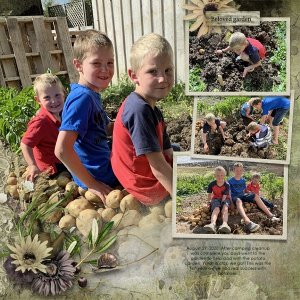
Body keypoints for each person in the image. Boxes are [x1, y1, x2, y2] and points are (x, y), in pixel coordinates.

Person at [55, 30, 117, 203]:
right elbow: (62, 149)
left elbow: (104, 129)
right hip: (100, 173)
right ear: (78, 65)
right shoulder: (82, 98)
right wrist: (92, 184)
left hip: (98, 166)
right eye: (96, 63)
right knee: (162, 155)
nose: (105, 70)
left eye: (110, 62)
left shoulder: (90, 94)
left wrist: (127, 119)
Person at [111, 33, 174, 206]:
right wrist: (181, 197)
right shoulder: (139, 110)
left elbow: (168, 150)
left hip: (143, 169)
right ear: (134, 75)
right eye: (152, 72)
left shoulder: (152, 106)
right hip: (144, 184)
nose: (163, 79)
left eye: (168, 70)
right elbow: (159, 167)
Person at [21, 73, 65, 181]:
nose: (54, 101)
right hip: (52, 168)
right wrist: (32, 165)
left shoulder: (63, 113)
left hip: (61, 157)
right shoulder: (41, 121)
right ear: (38, 100)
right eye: (47, 98)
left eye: (57, 95)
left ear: (64, 93)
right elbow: (25, 144)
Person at [228, 162, 279, 233]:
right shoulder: (230, 181)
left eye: (240, 170)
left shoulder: (243, 180)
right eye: (237, 170)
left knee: (256, 195)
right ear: (233, 170)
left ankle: (271, 216)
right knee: (238, 201)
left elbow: (244, 190)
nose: (238, 172)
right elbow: (229, 193)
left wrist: (250, 193)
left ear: (242, 171)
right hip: (235, 197)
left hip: (242, 195)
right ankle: (248, 222)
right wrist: (231, 203)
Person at [203, 166, 231, 234]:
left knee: (225, 208)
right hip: (215, 198)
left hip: (225, 199)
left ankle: (225, 224)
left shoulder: (226, 185)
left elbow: (224, 196)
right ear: (214, 175)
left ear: (224, 175)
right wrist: (209, 202)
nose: (220, 177)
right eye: (217, 175)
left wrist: (222, 204)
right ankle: (212, 224)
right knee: (216, 209)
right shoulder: (211, 184)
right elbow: (209, 194)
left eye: (221, 175)